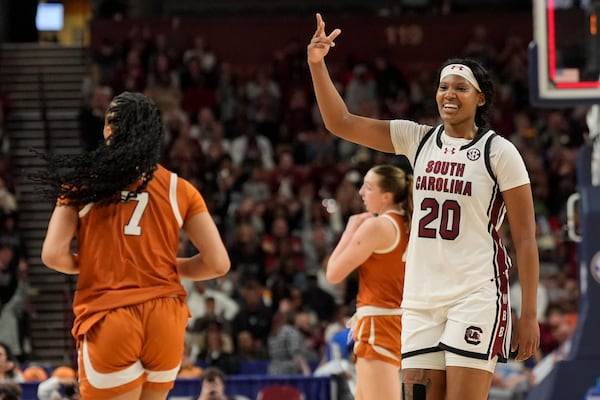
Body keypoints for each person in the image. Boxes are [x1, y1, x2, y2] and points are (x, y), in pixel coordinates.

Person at [307, 13, 540, 400]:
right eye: (443, 86)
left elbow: (527, 237)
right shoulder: (417, 139)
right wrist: (317, 65)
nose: (449, 94)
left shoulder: (499, 152)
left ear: (480, 97)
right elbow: (341, 122)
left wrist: (528, 314)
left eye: (461, 88)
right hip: (418, 299)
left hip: (475, 295)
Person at [36, 91, 231, 400]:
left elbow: (52, 255)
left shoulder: (82, 185)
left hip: (111, 316)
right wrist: (160, 265)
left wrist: (95, 262)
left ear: (109, 129)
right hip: (165, 320)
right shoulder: (180, 188)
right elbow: (218, 264)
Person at [325, 164, 411, 400]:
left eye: (368, 187)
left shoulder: (377, 226)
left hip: (379, 325)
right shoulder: (410, 224)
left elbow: (333, 273)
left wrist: (350, 229)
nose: (361, 192)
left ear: (387, 196)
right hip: (402, 322)